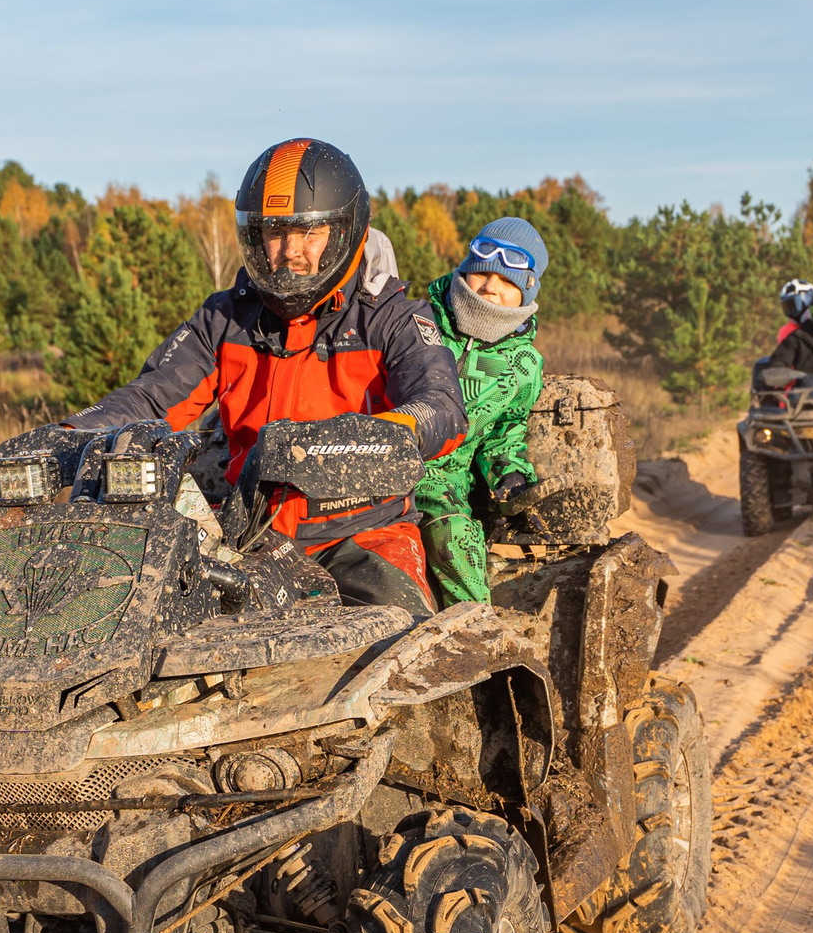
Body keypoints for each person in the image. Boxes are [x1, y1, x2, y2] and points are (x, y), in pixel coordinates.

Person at [67, 138, 466, 617]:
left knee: (404, 637)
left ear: (345, 231)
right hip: (247, 538)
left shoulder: (392, 317)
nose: (290, 251)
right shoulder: (224, 318)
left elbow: (441, 407)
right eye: (275, 232)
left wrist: (356, 439)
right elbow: (151, 399)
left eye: (310, 232)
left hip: (361, 536)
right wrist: (70, 435)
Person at [415, 217, 547, 604]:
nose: (490, 286)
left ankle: (474, 629)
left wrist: (510, 475)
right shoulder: (416, 322)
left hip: (443, 480)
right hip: (381, 457)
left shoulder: (523, 365)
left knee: (452, 536)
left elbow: (505, 432)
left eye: (507, 281)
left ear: (526, 290)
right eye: (482, 273)